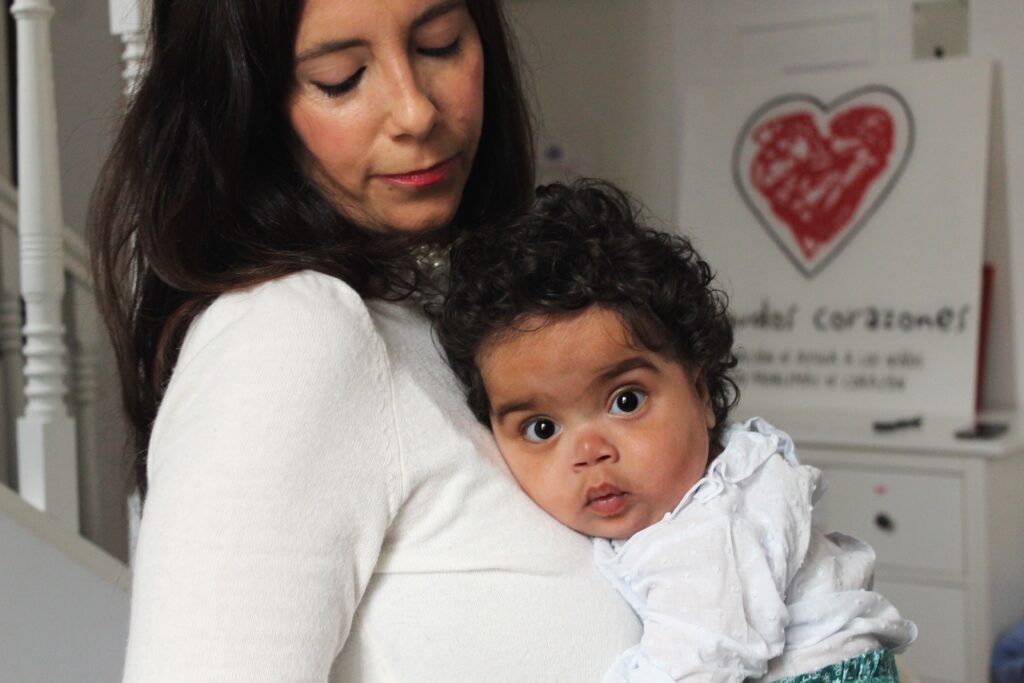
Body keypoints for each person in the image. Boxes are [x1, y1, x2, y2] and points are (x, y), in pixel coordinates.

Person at [89, 2, 641, 680]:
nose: (416, 112)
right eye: (341, 78)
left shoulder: (451, 316)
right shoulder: (291, 332)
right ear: (251, 108)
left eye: (440, 45)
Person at [437, 179, 918, 683]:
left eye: (626, 401)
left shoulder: (711, 526)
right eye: (541, 428)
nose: (590, 451)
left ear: (702, 392)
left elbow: (697, 665)